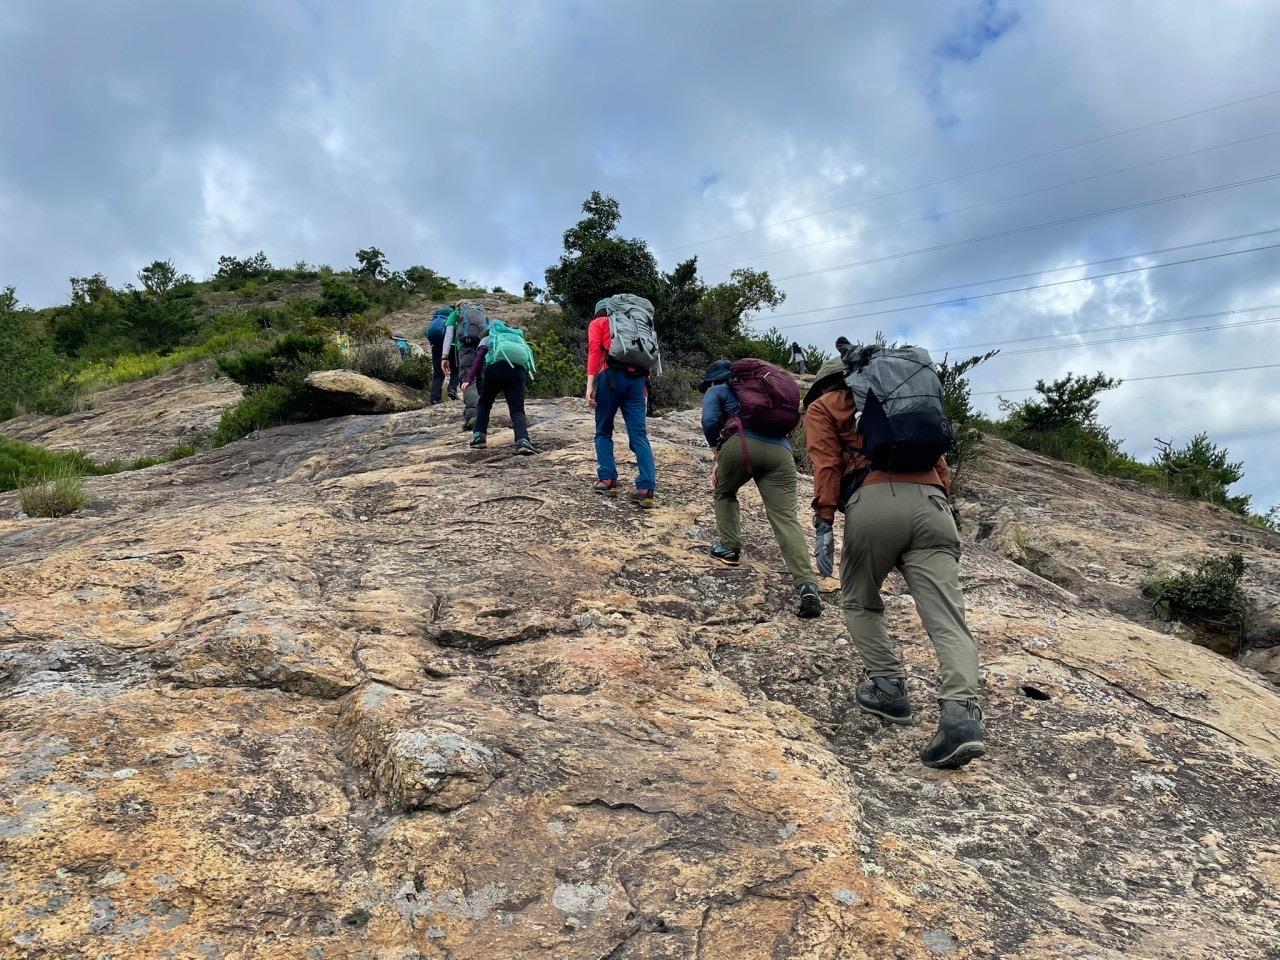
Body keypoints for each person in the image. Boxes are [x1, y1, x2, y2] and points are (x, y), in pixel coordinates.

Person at [804, 354, 984, 770]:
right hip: (933, 506)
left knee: (860, 600)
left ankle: (889, 689)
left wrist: (825, 519)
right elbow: (939, 461)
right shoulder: (905, 399)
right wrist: (939, 502)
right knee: (948, 620)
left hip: (873, 504)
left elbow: (827, 464)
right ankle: (961, 717)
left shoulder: (824, 405)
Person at [699, 359, 822, 619]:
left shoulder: (716, 391)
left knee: (724, 492)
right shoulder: (761, 392)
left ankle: (730, 547)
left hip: (741, 443)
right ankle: (807, 585)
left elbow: (710, 420)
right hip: (781, 453)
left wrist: (717, 452)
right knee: (786, 519)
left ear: (714, 379)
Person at [585, 304, 656, 508]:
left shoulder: (598, 322)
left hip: (610, 377)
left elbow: (594, 350)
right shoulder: (638, 324)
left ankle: (607, 479)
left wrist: (590, 384)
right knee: (639, 435)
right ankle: (646, 488)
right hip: (638, 380)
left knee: (603, 431)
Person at [459, 321, 535, 455]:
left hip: (495, 370)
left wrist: (468, 379)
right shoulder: (517, 339)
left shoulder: (489, 337)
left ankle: (479, 437)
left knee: (484, 403)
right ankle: (522, 440)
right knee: (517, 409)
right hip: (517, 372)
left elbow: (479, 359)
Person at [441, 302, 488, 429]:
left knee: (468, 379)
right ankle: (484, 415)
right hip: (483, 347)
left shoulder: (455, 314)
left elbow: (449, 334)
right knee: (482, 380)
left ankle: (473, 417)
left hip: (465, 348)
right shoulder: (482, 314)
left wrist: (445, 356)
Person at [426, 307, 459, 404]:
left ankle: (435, 398)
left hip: (435, 346)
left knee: (438, 374)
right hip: (451, 345)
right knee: (455, 370)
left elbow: (427, 333)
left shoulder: (436, 318)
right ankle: (452, 389)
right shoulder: (453, 315)